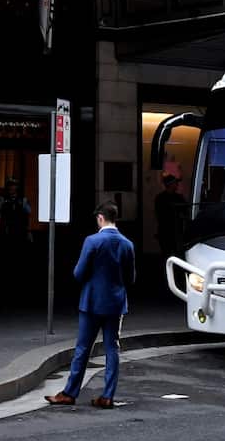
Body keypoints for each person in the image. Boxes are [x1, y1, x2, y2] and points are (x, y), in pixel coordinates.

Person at [45, 201, 136, 409]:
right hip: (115, 303)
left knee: (83, 348)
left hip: (92, 302)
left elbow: (78, 273)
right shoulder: (127, 244)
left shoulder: (92, 241)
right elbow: (131, 278)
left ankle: (70, 392)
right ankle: (107, 395)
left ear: (100, 218)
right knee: (112, 348)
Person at [154, 174, 187, 260]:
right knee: (167, 255)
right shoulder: (161, 198)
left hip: (176, 232)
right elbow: (160, 215)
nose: (177, 185)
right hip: (166, 232)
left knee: (177, 255)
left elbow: (185, 212)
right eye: (175, 183)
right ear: (170, 184)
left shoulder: (178, 197)